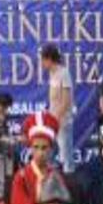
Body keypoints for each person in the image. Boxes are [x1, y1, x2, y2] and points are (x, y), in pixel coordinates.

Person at [42, 44, 76, 173]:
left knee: (66, 158)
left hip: (63, 123)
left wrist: (55, 119)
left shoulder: (64, 73)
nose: (42, 64)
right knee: (50, 156)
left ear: (49, 59)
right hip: (53, 123)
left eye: (43, 60)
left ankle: (69, 186)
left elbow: (67, 100)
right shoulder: (52, 74)